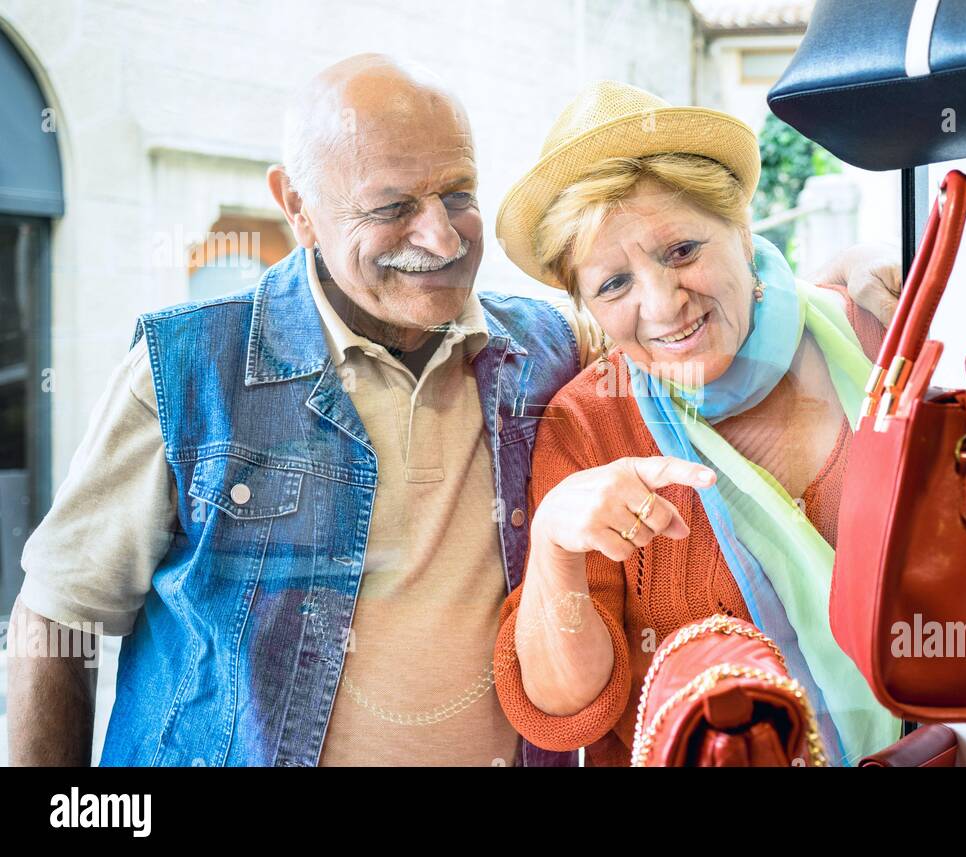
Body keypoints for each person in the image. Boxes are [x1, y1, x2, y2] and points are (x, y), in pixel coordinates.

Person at [6, 57, 898, 767]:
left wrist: (818, 295)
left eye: (458, 194)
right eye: (392, 208)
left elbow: (667, 324)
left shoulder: (544, 352)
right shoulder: (186, 369)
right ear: (298, 208)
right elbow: (59, 613)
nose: (439, 238)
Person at [493, 81, 902, 766]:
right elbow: (566, 708)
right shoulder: (588, 426)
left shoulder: (867, 323)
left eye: (681, 250)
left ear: (741, 228)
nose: (662, 303)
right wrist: (557, 547)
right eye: (613, 284)